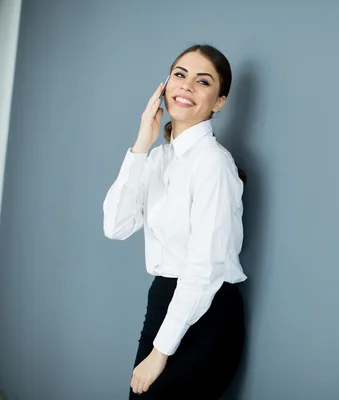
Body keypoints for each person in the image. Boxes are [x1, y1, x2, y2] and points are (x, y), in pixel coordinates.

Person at [102, 44, 247, 399]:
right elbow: (116, 227)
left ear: (218, 102)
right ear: (165, 85)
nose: (186, 86)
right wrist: (140, 144)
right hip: (165, 300)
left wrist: (160, 352)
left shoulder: (213, 163)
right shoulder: (158, 159)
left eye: (202, 82)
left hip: (208, 310)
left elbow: (205, 268)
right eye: (179, 75)